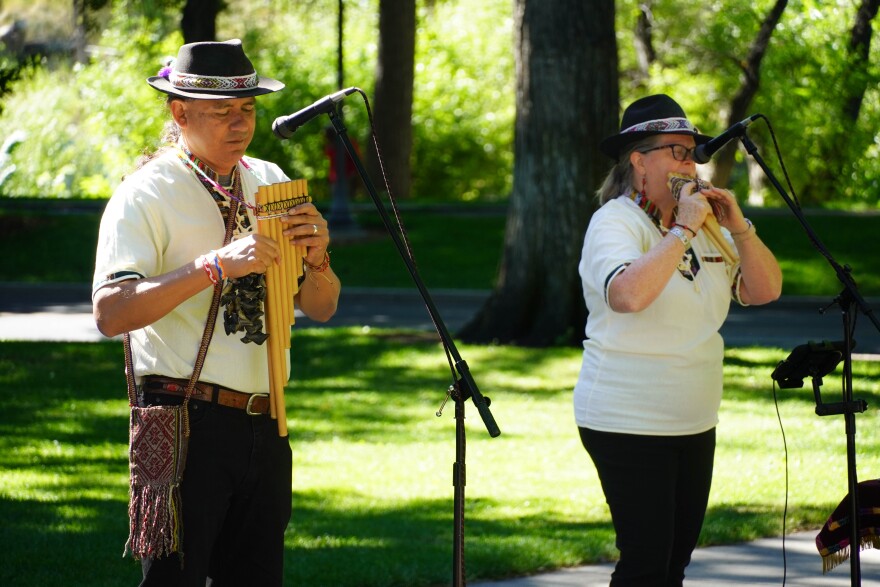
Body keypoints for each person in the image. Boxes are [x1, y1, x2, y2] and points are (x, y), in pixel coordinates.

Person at [92, 39, 340, 586]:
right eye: (222, 111)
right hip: (187, 418)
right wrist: (213, 266)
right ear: (180, 113)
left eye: (247, 109)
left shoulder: (271, 181)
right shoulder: (144, 195)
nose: (240, 123)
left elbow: (320, 307)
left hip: (267, 420)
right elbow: (110, 313)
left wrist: (319, 259)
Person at [573, 94, 782, 586]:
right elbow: (627, 295)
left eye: (693, 153)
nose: (691, 164)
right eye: (677, 151)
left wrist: (740, 229)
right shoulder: (615, 221)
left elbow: (764, 289)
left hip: (693, 420)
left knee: (673, 565)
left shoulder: (706, 226)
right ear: (638, 161)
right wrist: (684, 228)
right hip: (626, 420)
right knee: (646, 564)